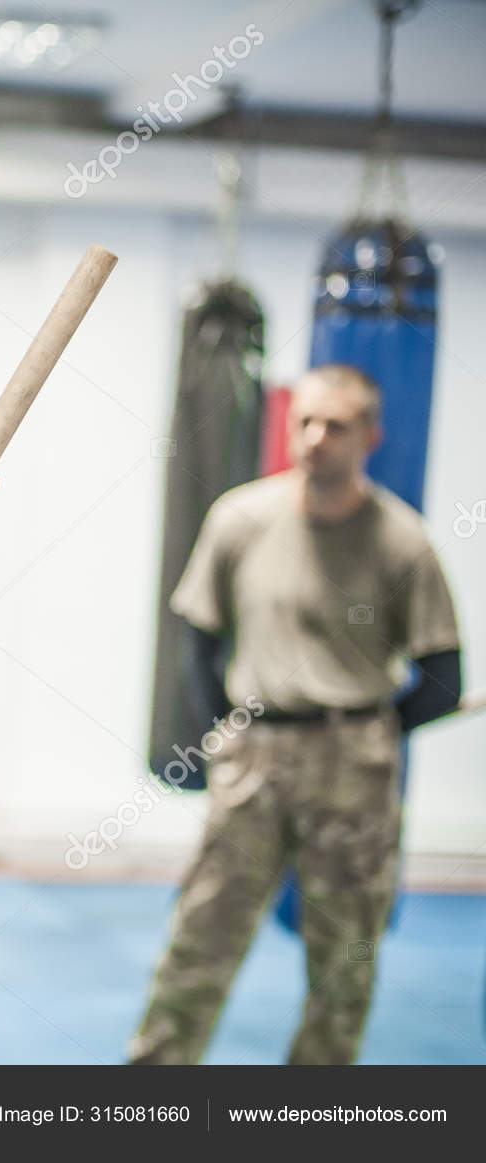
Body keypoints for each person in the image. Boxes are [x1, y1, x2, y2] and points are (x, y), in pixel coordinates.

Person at [130, 363, 464, 1065]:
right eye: (304, 420)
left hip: (354, 767)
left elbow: (443, 677)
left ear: (369, 435)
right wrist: (227, 722)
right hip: (254, 756)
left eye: (335, 425)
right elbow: (197, 635)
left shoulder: (404, 543)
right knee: (202, 933)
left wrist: (367, 730)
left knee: (345, 956)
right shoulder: (240, 518)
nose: (314, 438)